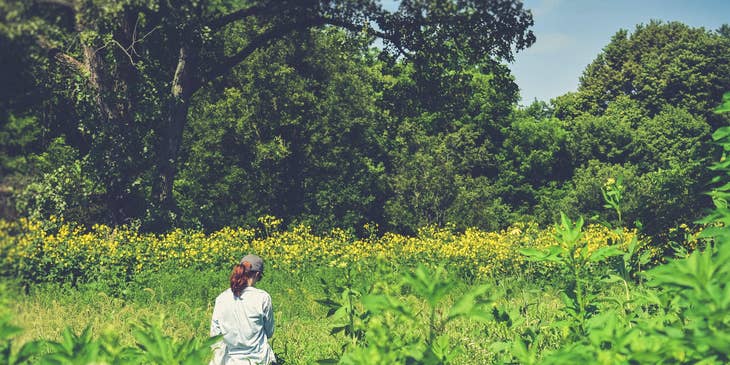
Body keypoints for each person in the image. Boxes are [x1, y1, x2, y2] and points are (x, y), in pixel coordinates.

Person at [210, 254, 275, 365]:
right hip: (258, 360)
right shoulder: (262, 298)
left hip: (230, 361)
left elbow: (215, 335)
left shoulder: (221, 298)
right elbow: (269, 333)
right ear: (257, 274)